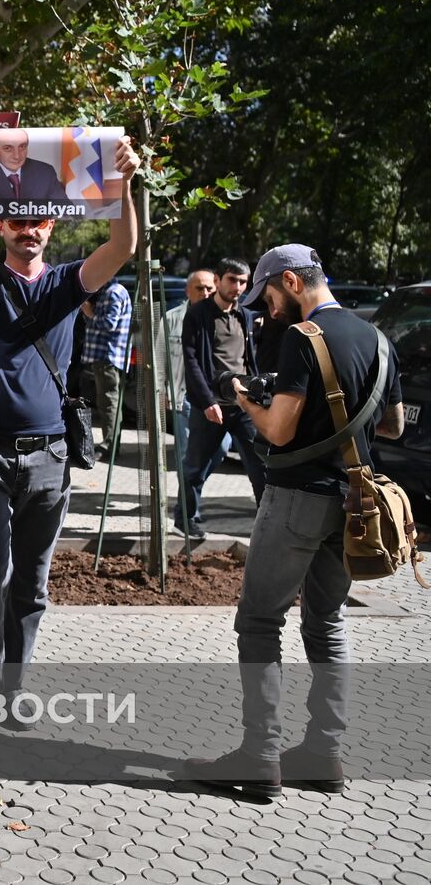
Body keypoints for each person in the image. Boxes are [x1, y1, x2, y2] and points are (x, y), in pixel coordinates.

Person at [0, 132, 139, 723]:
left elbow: (122, 246)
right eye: (16, 220)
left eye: (37, 221)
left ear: (52, 228)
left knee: (31, 586)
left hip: (50, 457)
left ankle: (12, 693)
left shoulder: (69, 283)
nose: (27, 228)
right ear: (1, 225)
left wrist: (124, 183)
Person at [183, 244, 404, 796]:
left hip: (297, 498)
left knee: (259, 621)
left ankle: (260, 757)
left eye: (272, 295)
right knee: (327, 623)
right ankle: (324, 754)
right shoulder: (377, 337)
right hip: (354, 502)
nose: (269, 307)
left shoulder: (302, 339)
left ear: (291, 281)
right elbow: (394, 425)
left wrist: (244, 399)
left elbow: (278, 431)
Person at [178, 258, 267, 537]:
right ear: (218, 280)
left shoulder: (247, 314)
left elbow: (252, 355)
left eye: (243, 282)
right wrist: (207, 402)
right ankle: (185, 518)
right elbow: (191, 361)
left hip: (244, 403)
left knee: (260, 463)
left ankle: (267, 522)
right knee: (196, 465)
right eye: (232, 280)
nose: (238, 287)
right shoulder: (198, 314)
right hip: (211, 404)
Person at [163, 269, 217, 513]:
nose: (205, 293)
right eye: (200, 288)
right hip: (183, 397)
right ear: (188, 291)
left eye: (209, 289)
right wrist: (161, 392)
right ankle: (186, 512)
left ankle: (191, 494)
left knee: (221, 448)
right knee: (187, 455)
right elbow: (158, 359)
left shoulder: (221, 317)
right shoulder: (172, 318)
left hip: (214, 399)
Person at [80, 276, 132, 457]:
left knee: (108, 402)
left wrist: (89, 313)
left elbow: (109, 324)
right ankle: (111, 443)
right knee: (110, 402)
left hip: (107, 356)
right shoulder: (109, 292)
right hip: (106, 356)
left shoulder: (112, 293)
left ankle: (110, 445)